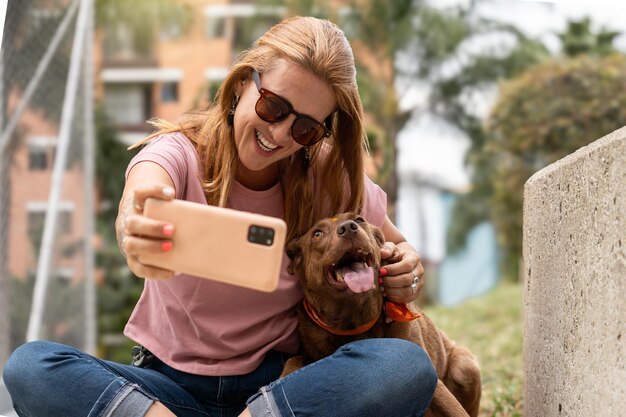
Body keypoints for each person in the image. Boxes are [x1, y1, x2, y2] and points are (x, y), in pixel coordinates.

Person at [3, 16, 437, 417]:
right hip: (168, 389)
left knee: (405, 367)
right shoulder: (178, 152)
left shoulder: (325, 173)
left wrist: (408, 272)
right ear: (241, 87)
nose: (280, 133)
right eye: (273, 107)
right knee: (31, 367)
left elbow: (400, 250)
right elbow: (143, 193)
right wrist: (136, 223)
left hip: (282, 389)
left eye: (305, 127)